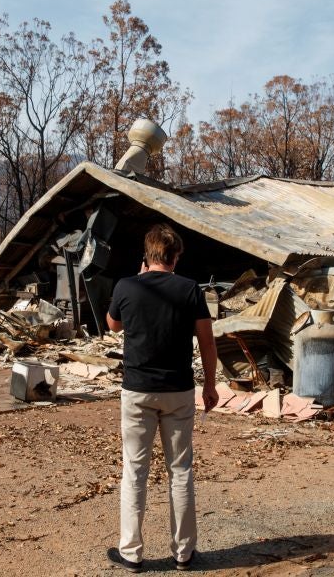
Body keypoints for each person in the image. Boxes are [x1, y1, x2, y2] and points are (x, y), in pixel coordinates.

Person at [105, 223, 219, 573]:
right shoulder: (190, 290)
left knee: (135, 471)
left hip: (138, 389)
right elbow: (207, 342)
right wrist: (210, 385)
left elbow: (113, 325)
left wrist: (137, 280)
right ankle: (184, 553)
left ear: (148, 255)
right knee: (180, 471)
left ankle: (131, 552)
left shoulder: (127, 286)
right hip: (178, 391)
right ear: (175, 256)